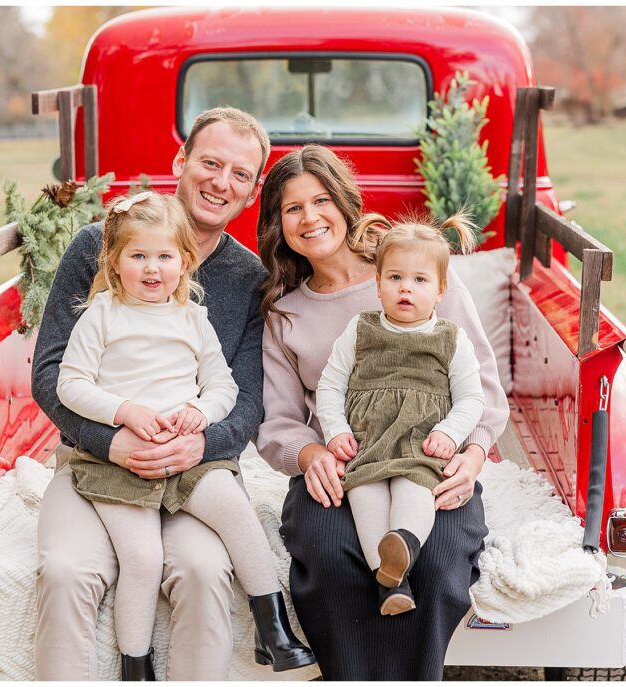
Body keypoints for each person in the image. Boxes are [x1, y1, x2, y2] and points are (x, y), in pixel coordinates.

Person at [31, 107, 275, 681]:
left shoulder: (247, 278)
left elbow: (245, 398)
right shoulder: (101, 245)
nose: (222, 182)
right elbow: (49, 374)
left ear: (253, 189)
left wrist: (200, 445)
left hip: (195, 465)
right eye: (210, 163)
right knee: (66, 571)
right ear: (180, 162)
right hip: (96, 461)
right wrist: (112, 441)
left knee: (204, 570)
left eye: (240, 174)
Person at [255, 144, 510, 680]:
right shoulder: (285, 312)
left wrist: (475, 453)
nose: (309, 218)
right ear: (279, 224)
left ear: (345, 204)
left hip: (429, 456)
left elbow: (480, 384)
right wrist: (308, 453)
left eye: (320, 200)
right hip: (344, 462)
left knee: (438, 567)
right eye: (292, 208)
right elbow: (278, 419)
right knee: (330, 560)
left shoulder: (411, 271)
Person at [55, 190, 314, 678]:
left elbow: (223, 385)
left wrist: (200, 410)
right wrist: (123, 411)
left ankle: (272, 629)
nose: (152, 269)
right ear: (114, 262)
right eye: (138, 256)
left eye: (164, 257)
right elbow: (69, 384)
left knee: (238, 513)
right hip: (119, 462)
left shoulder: (193, 318)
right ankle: (137, 666)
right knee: (144, 557)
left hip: (189, 456)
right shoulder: (103, 315)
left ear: (185, 262)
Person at [315, 215, 484, 617]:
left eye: (420, 280)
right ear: (377, 284)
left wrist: (449, 432)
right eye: (394, 278)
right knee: (364, 498)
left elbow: (471, 398)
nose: (405, 287)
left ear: (442, 289)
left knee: (414, 493)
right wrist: (336, 431)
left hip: (421, 445)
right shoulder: (360, 329)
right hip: (367, 443)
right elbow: (330, 385)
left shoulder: (449, 338)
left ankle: (402, 549)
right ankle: (392, 578)